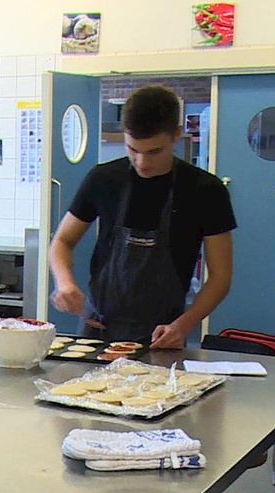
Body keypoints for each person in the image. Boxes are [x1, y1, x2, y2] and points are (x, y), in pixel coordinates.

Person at [50, 84, 235, 350]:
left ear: (177, 135)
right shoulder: (103, 179)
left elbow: (220, 277)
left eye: (154, 151)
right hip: (96, 328)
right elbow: (62, 242)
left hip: (163, 334)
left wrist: (183, 325)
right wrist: (65, 283)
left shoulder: (205, 190)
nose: (141, 162)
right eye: (132, 149)